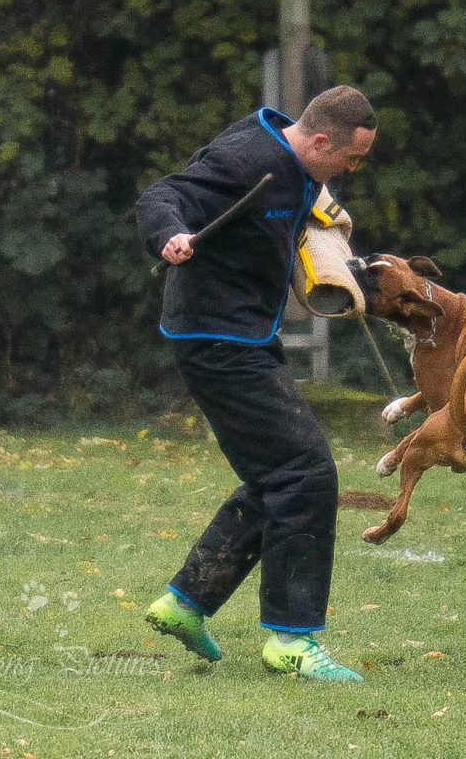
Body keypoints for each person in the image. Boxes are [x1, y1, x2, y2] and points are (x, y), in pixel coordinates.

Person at [135, 86, 376, 682]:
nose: (352, 169)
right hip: (215, 336)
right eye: (350, 157)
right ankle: (292, 640)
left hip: (243, 331)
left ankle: (186, 603)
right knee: (306, 472)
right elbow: (162, 194)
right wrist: (168, 234)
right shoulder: (249, 158)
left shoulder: (298, 165)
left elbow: (309, 214)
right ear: (320, 140)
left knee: (278, 475)